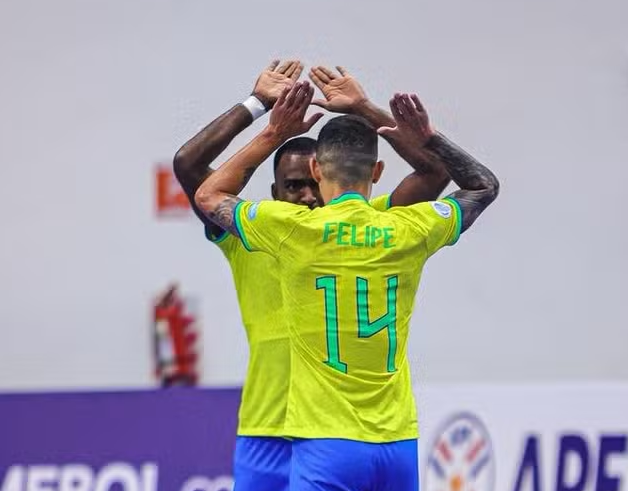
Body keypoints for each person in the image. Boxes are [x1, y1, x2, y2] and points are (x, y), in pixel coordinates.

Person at [194, 83, 499, 491]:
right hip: (397, 443)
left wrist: (273, 133)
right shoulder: (407, 227)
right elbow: (482, 186)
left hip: (327, 443)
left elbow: (209, 194)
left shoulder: (293, 230)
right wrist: (425, 137)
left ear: (317, 171)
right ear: (377, 172)